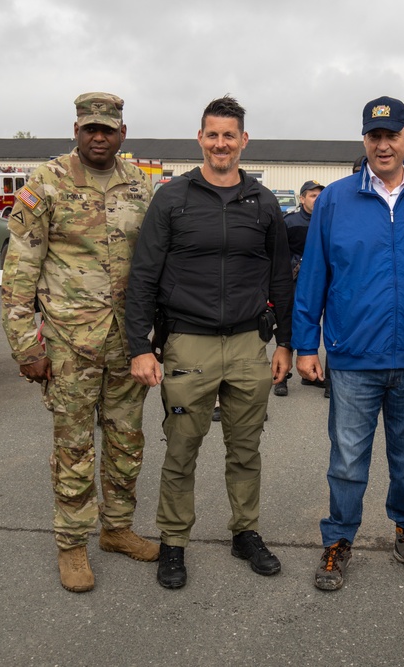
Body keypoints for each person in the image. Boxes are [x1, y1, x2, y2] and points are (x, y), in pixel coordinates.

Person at [125, 95, 293, 589]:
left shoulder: (262, 202)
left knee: (246, 449)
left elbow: (281, 278)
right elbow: (143, 276)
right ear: (200, 139)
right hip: (188, 345)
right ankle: (173, 542)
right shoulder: (172, 198)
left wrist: (286, 341)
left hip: (247, 345)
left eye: (230, 135)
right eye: (212, 134)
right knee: (181, 449)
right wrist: (139, 346)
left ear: (244, 140)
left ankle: (246, 532)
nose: (221, 144)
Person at [293, 95, 404, 592]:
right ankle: (339, 538)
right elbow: (314, 276)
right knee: (346, 459)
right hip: (352, 358)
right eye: (374, 136)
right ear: (364, 140)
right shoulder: (336, 199)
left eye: (392, 134)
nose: (383, 144)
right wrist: (305, 344)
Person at [1, 93, 158, 593]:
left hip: (128, 340)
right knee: (73, 446)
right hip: (70, 342)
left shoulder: (139, 185)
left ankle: (116, 529)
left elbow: (155, 261)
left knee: (126, 441)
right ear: (75, 129)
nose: (98, 136)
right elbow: (20, 268)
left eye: (107, 129)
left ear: (122, 133)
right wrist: (26, 346)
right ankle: (71, 544)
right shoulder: (46, 183)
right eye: (90, 128)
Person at [277, 179, 327, 398]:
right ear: (302, 198)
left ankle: (311, 374)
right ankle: (282, 378)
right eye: (313, 195)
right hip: (295, 282)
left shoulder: (327, 220)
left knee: (318, 326)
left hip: (321, 282)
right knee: (288, 328)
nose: (317, 199)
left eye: (320, 195)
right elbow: (279, 255)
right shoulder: (290, 222)